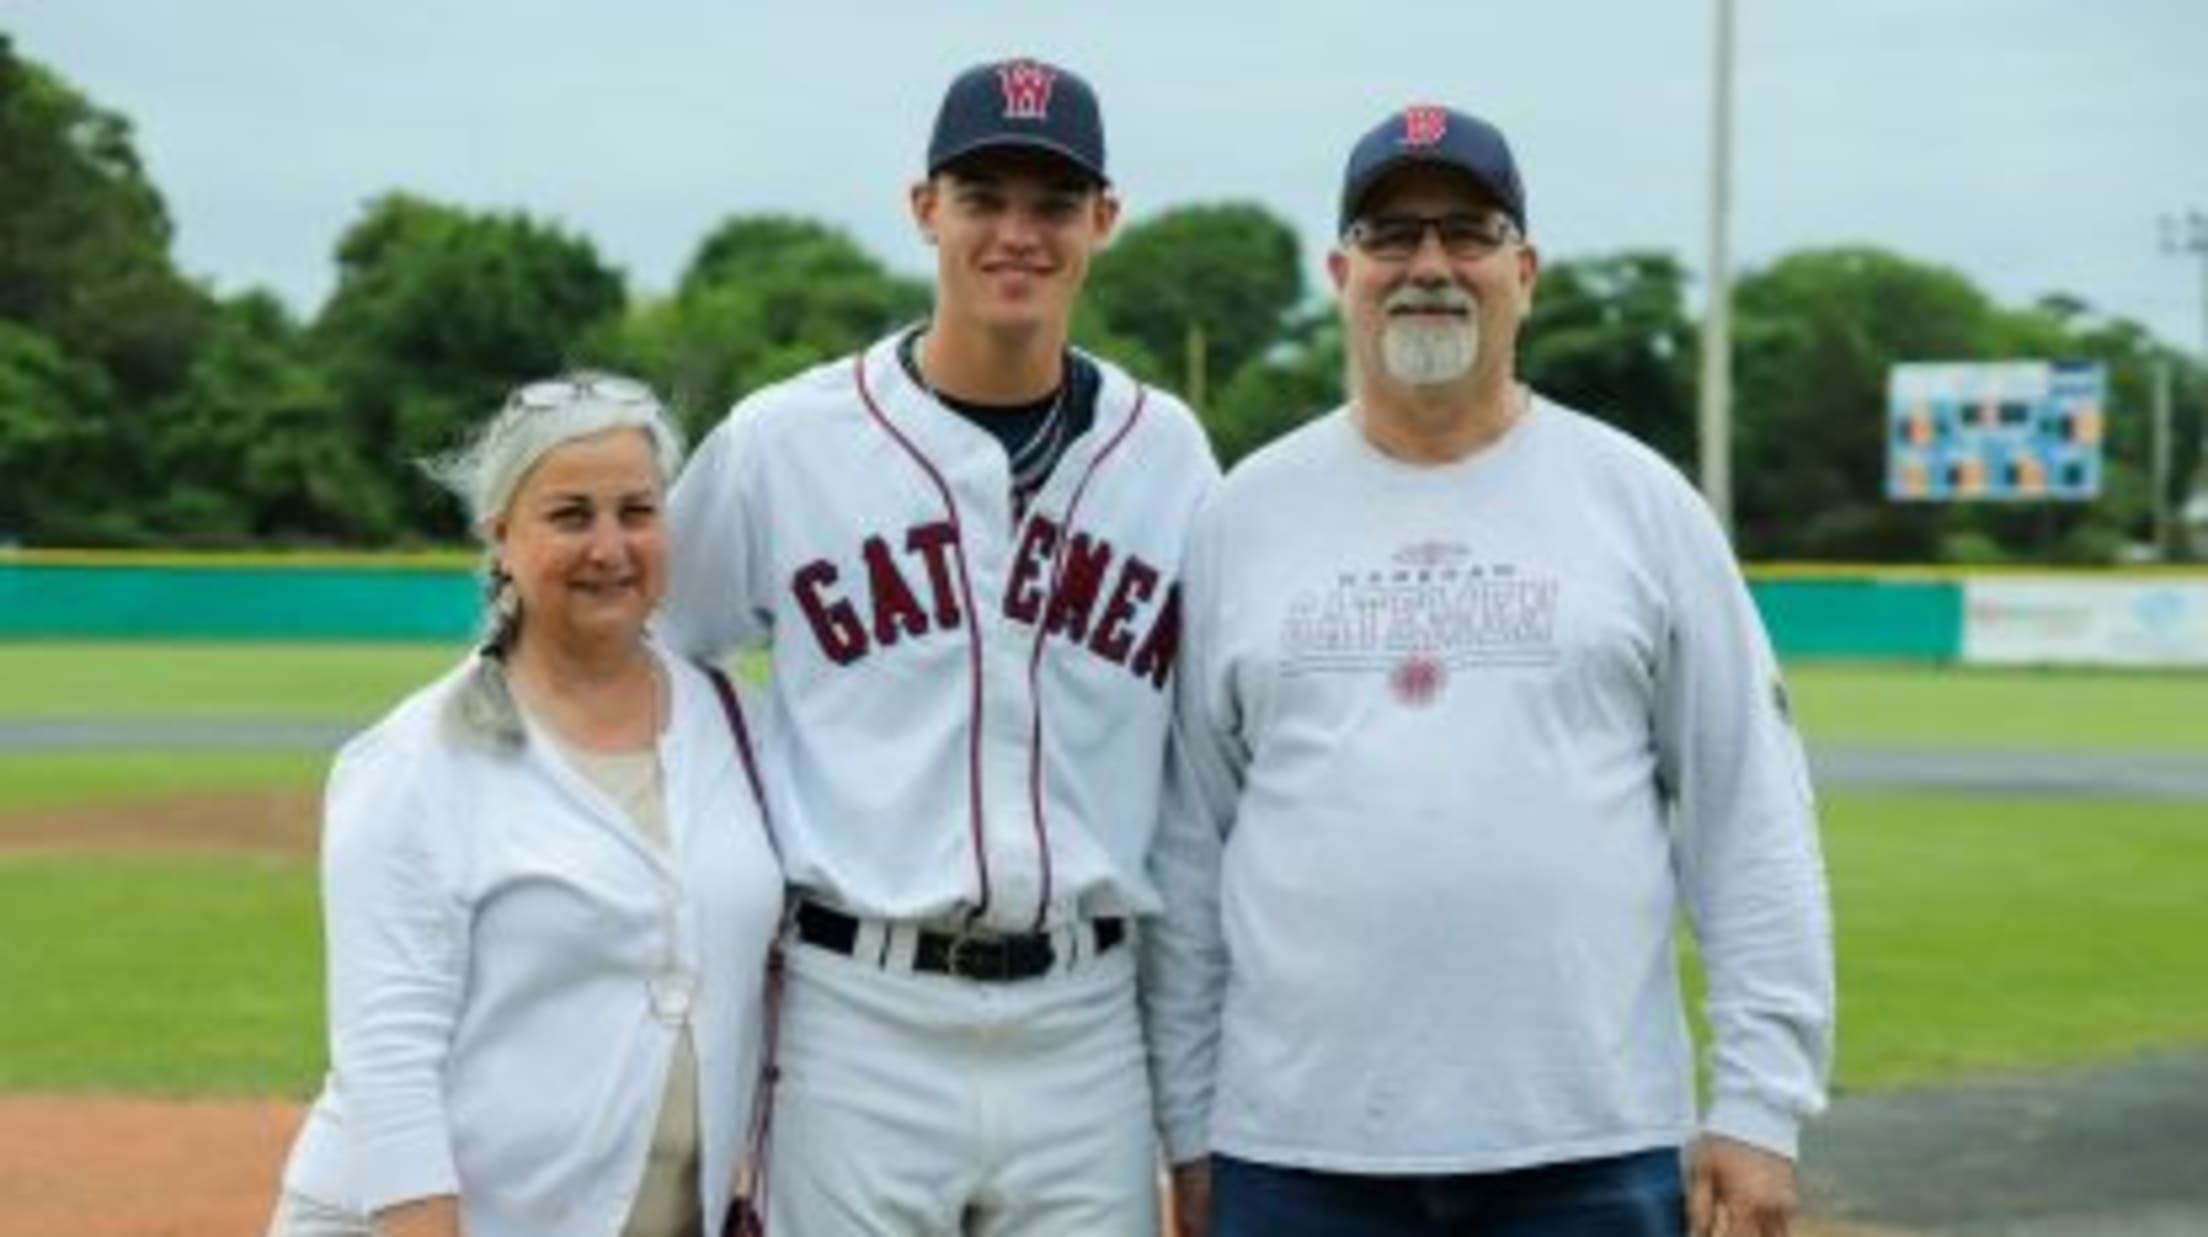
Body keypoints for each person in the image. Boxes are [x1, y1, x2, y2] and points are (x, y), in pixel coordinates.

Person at [1144, 104, 1835, 1237]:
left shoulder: (1639, 503)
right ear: (1340, 271)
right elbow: (1186, 855)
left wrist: (1760, 1105)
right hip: (1296, 1147)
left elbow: (1750, 813)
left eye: (1466, 232)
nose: (1428, 265)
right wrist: (1185, 1124)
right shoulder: (1243, 515)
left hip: (1587, 1146)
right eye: (1391, 236)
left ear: (1525, 269)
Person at [659, 55, 1218, 1237]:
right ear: (926, 210)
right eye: (983, 197)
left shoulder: (1167, 454)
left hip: (1087, 1020)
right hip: (857, 1015)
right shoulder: (782, 443)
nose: (1018, 231)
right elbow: (660, 652)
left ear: (1102, 222)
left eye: (1053, 203)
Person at [267, 372, 785, 1237]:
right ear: (500, 535)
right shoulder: (411, 762)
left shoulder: (740, 726)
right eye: (571, 515)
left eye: (637, 511)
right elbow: (389, 1066)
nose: (610, 546)